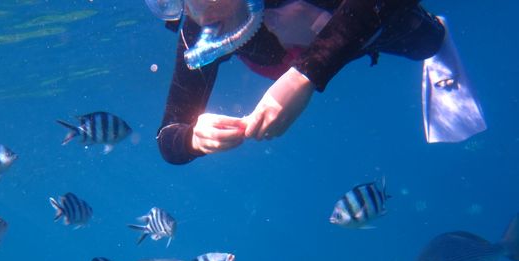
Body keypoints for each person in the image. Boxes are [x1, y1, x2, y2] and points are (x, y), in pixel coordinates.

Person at [145, 0, 487, 165]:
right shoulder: (199, 31)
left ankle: (435, 36)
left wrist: (304, 76)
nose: (200, 10)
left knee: (427, 42)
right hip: (290, 56)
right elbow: (167, 137)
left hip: (364, 23)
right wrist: (193, 138)